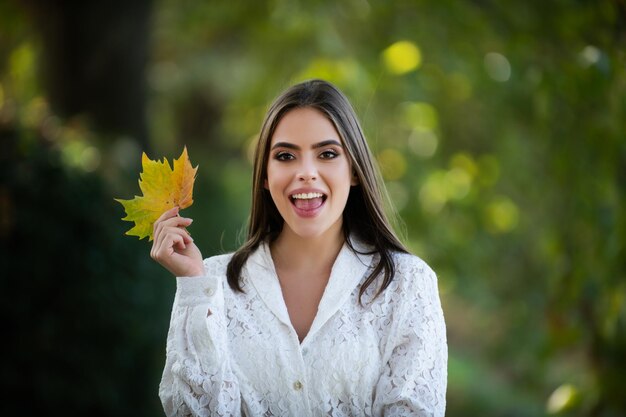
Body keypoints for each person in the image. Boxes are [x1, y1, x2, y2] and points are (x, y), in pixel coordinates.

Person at [151, 79, 447, 416]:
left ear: (353, 170)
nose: (306, 173)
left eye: (327, 154)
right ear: (265, 174)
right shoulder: (209, 283)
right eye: (286, 156)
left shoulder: (408, 284)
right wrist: (193, 285)